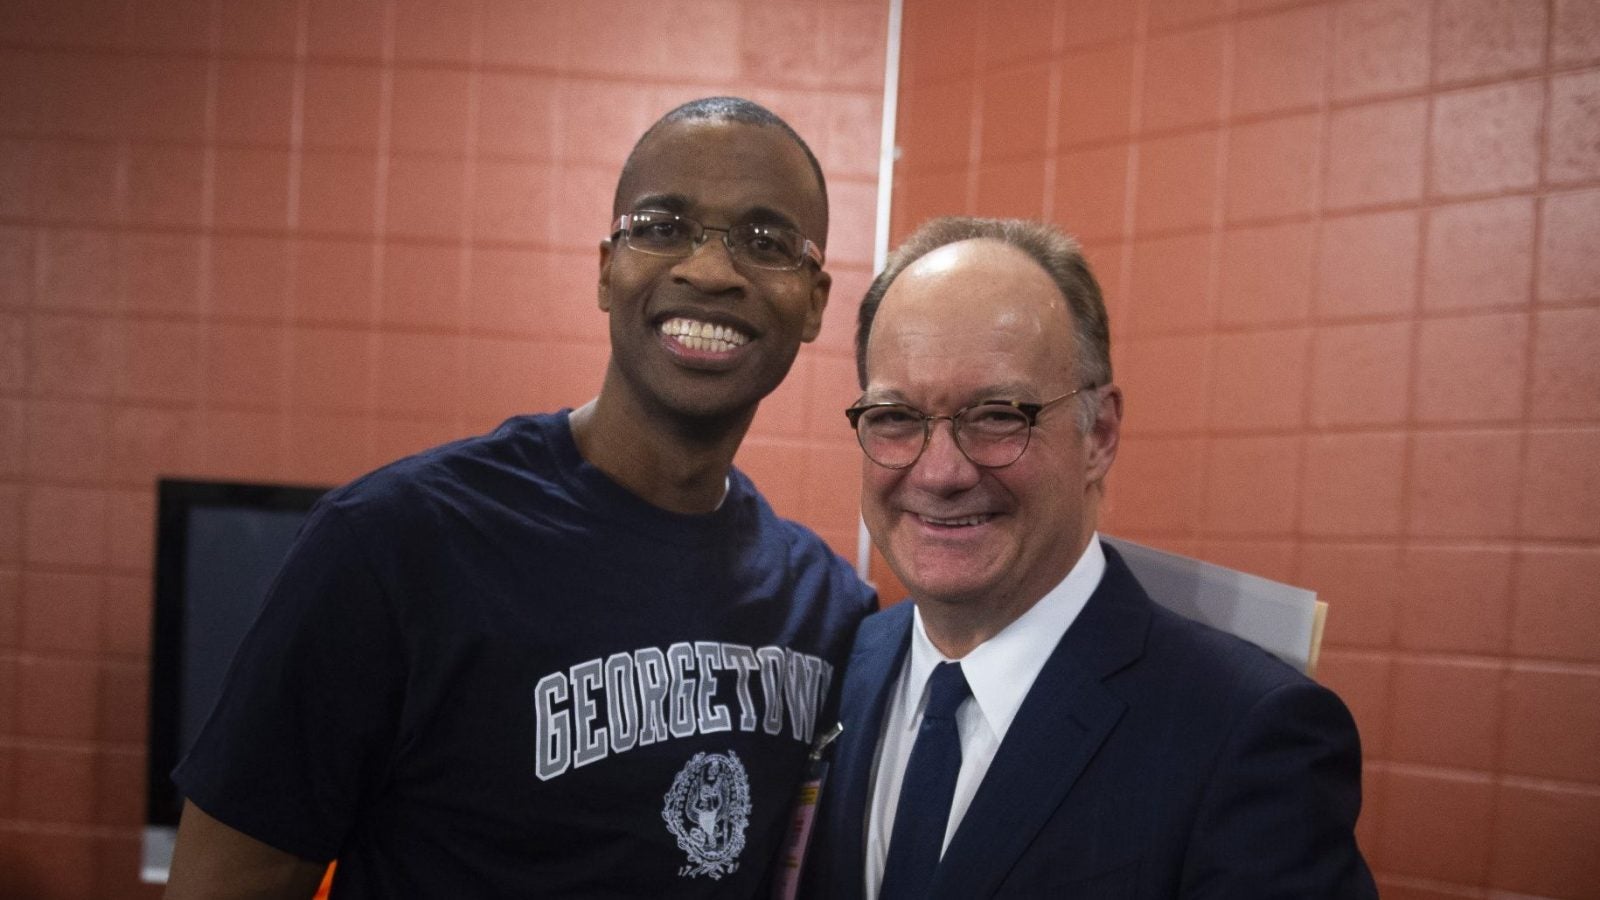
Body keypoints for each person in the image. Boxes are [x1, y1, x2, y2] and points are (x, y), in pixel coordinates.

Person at [163, 97, 876, 899]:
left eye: (765, 241)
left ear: (815, 301)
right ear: (607, 267)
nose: (709, 271)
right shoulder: (393, 546)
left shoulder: (830, 611)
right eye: (662, 225)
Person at [803, 217, 1377, 898]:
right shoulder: (843, 664)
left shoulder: (1249, 736)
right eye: (895, 417)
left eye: (996, 415)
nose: (939, 473)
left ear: (1099, 435)